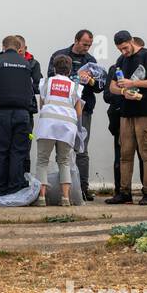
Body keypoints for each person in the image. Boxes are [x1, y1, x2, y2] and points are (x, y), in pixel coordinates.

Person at [107, 30, 147, 205]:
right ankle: (124, 192)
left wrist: (134, 83)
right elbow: (112, 87)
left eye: (125, 48)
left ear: (131, 41)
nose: (123, 52)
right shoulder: (121, 60)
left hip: (145, 112)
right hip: (125, 113)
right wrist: (123, 91)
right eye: (120, 49)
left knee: (146, 154)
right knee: (125, 154)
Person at [0, 34, 40, 198]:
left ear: (3, 46)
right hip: (22, 114)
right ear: (19, 47)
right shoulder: (26, 64)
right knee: (18, 152)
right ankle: (15, 189)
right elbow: (31, 88)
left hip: (0, 114)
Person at [47, 29, 101, 201]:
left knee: (82, 149)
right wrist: (75, 77)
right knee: (61, 148)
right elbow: (50, 79)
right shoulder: (59, 55)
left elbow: (99, 87)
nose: (87, 48)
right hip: (62, 109)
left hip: (83, 110)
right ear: (76, 40)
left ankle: (83, 189)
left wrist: (90, 81)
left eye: (90, 45)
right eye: (85, 44)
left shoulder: (91, 61)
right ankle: (62, 189)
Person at [33, 53, 84, 207]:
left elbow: (42, 104)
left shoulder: (45, 82)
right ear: (70, 70)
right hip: (67, 127)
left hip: (47, 125)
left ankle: (41, 197)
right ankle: (66, 198)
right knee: (64, 161)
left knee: (42, 161)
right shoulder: (76, 86)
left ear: (54, 68)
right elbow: (79, 110)